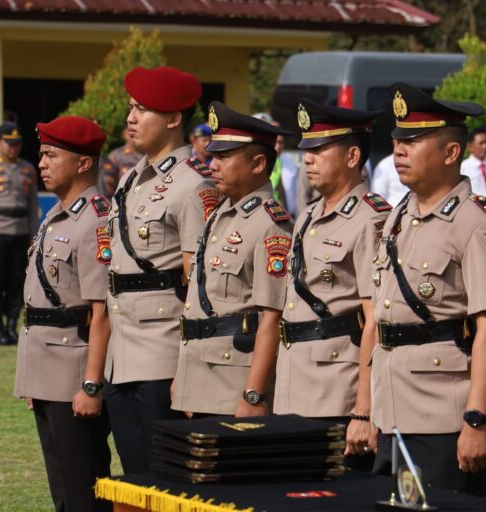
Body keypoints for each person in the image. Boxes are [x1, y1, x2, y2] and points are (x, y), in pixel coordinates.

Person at [370, 82, 486, 497]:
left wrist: (477, 419)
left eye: (413, 141)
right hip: (391, 410)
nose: (399, 151)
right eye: (397, 141)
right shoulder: (398, 217)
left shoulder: (477, 223)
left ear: (450, 153)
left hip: (443, 415)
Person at [105, 66, 218, 474]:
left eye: (144, 109)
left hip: (164, 355)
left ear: (173, 119)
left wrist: (191, 371)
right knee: (136, 477)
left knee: (170, 480)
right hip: (122, 355)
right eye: (131, 108)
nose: (131, 118)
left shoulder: (194, 184)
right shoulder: (130, 180)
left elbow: (202, 290)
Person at [273, 98, 388, 465]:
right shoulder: (307, 215)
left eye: (320, 149)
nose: (307, 158)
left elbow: (375, 318)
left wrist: (363, 409)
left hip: (337, 391)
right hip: (294, 384)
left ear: (352, 157)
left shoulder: (371, 220)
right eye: (307, 149)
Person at [14, 116, 112, 512]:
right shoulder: (56, 215)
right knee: (62, 489)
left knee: (82, 487)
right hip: (46, 368)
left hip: (74, 369)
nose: (42, 163)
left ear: (83, 163)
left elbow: (101, 312)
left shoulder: (95, 220)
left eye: (52, 155)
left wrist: (91, 384)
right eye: (41, 154)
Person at [171, 102, 293, 418]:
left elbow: (272, 316)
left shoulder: (270, 224)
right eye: (212, 156)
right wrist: (184, 376)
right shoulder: (220, 215)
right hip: (199, 375)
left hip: (234, 383)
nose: (212, 165)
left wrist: (253, 395)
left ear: (257, 164)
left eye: (223, 158)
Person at [0, 122, 39, 345]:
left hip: (20, 231)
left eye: (17, 143)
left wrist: (33, 234)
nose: (13, 148)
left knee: (17, 280)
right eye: (9, 143)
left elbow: (32, 205)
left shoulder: (28, 168)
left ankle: (12, 324)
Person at [99, 128, 143, 199]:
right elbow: (106, 188)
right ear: (125, 134)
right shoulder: (115, 156)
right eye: (131, 131)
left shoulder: (150, 155)